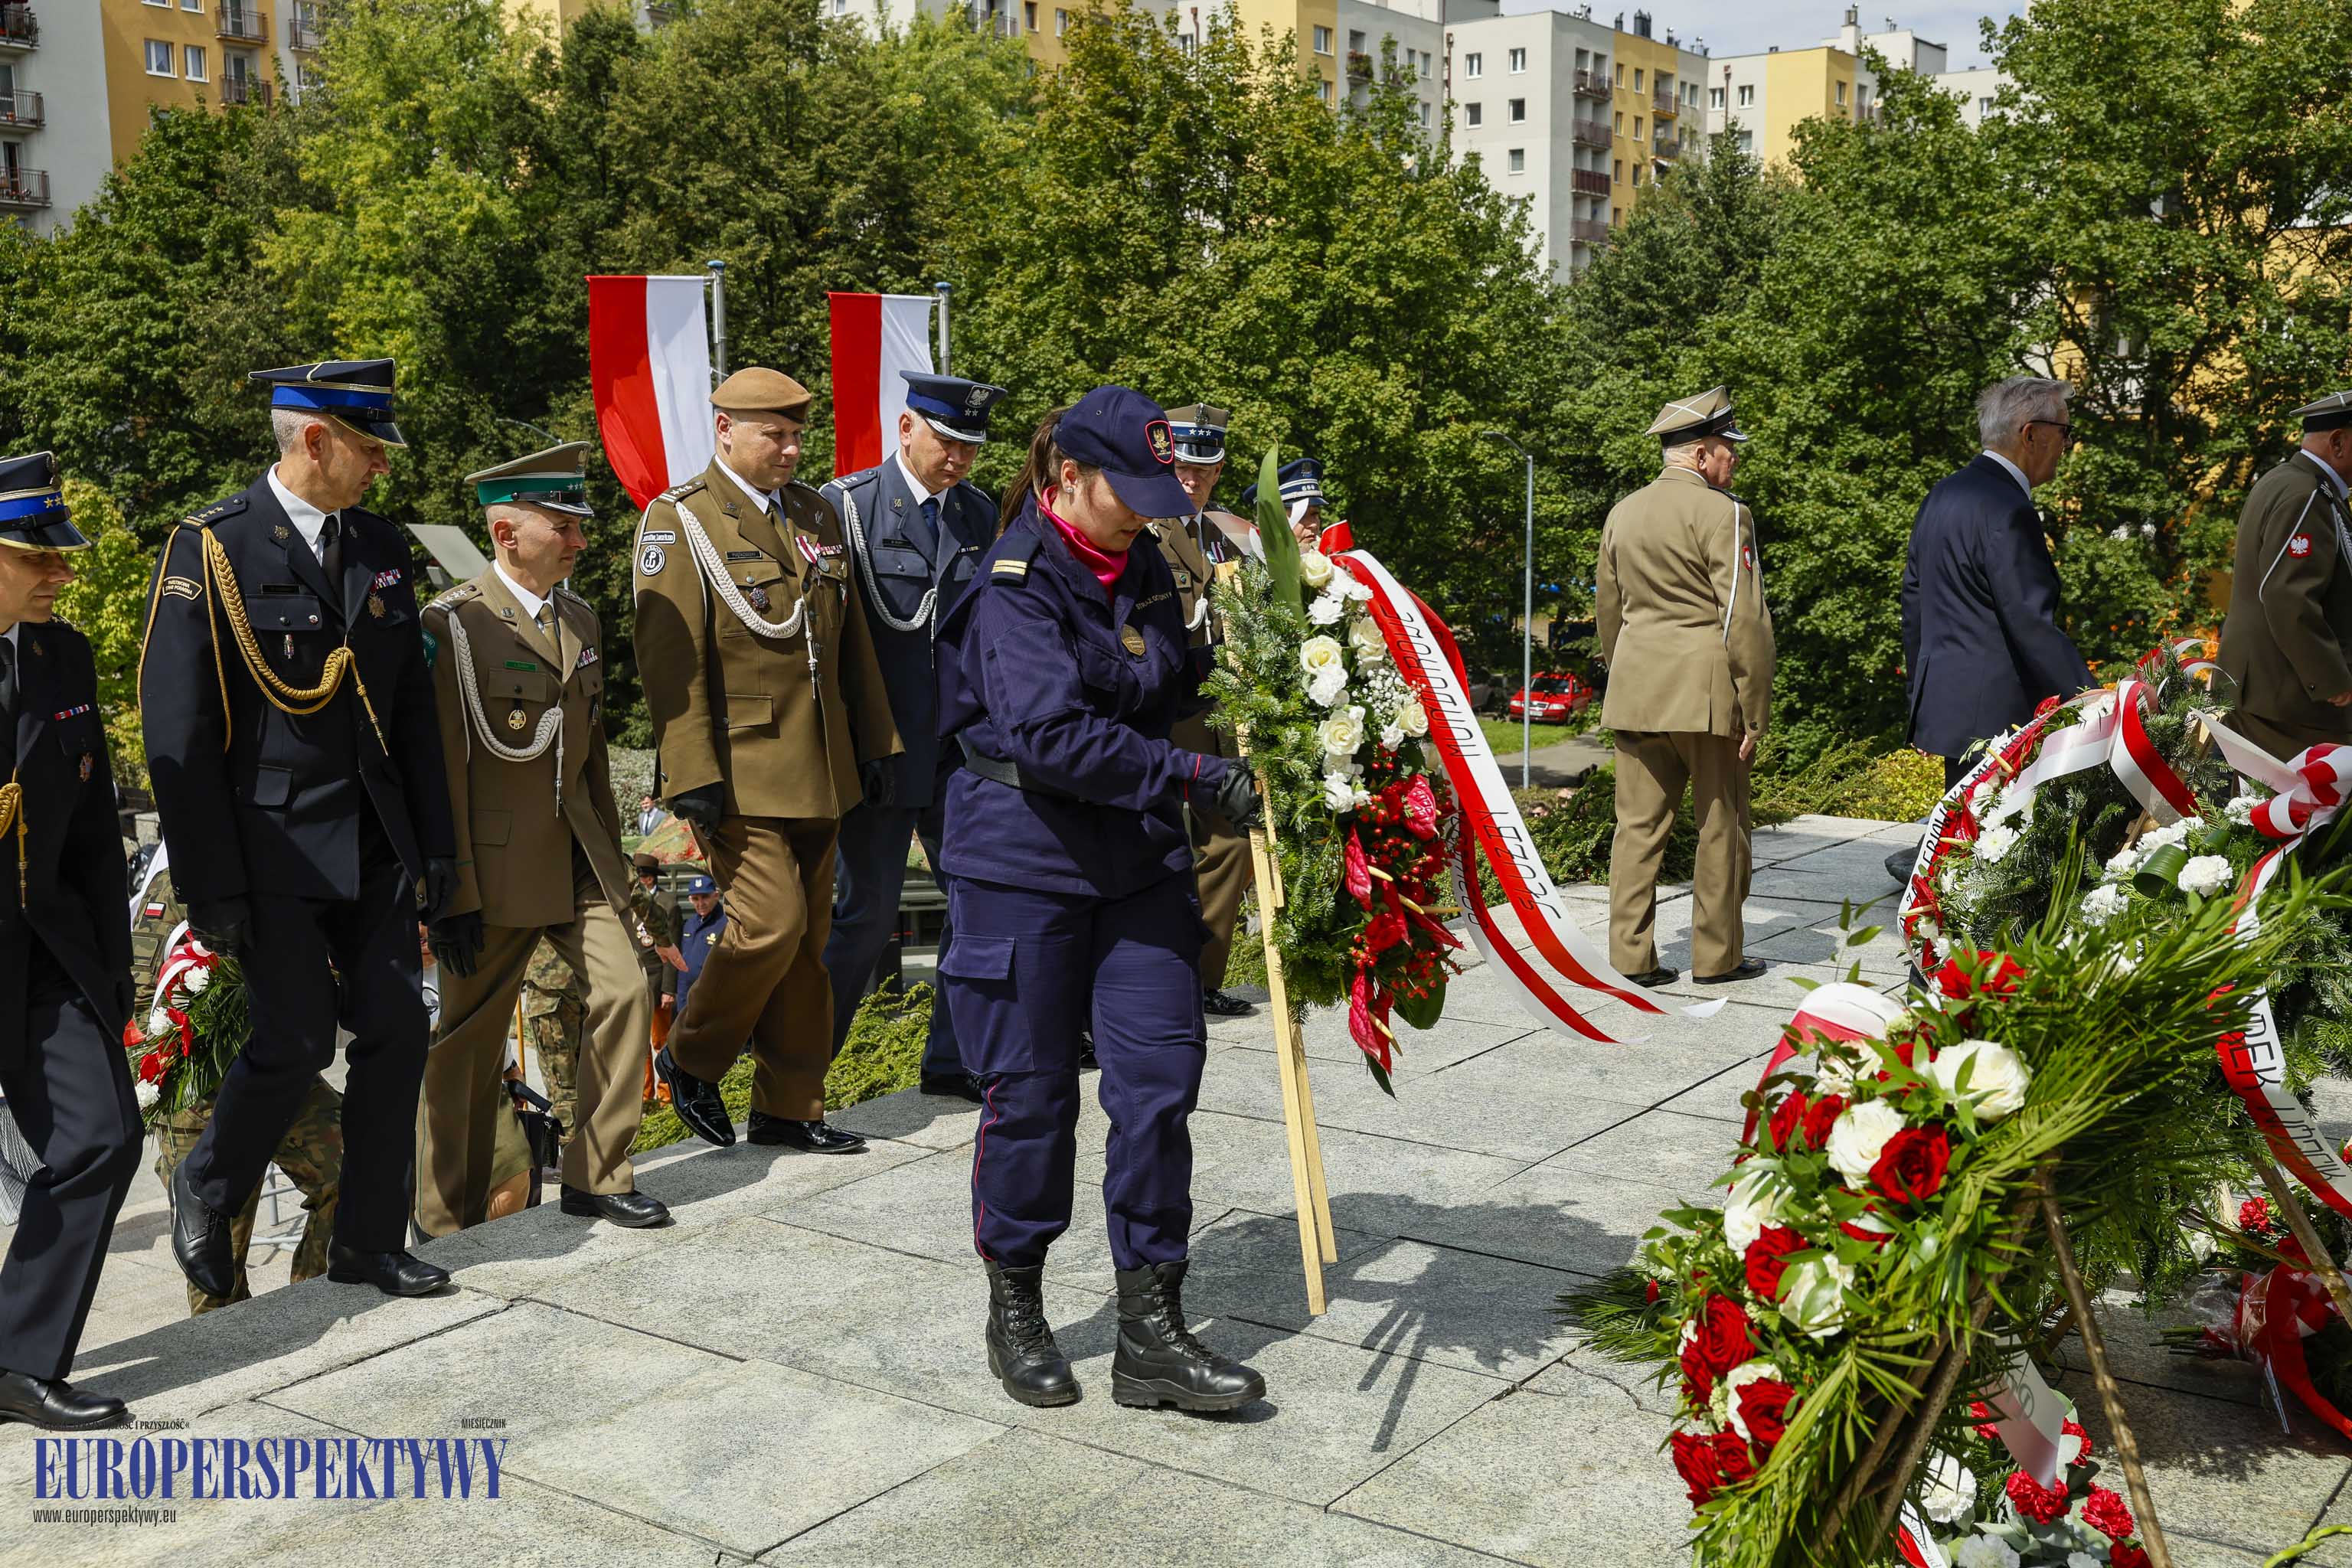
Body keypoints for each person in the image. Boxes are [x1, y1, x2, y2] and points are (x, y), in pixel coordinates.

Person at [936, 387, 1268, 1414]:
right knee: (1030, 1099)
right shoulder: (1013, 583)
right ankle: (1018, 1304)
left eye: (1151, 495)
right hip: (1022, 863)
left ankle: (1152, 1334)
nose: (1141, 511)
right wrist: (1193, 779)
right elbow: (1049, 736)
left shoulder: (1150, 570)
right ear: (1064, 476)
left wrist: (1283, 681)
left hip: (1134, 866)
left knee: (1159, 1088)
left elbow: (1179, 681)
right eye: (1124, 493)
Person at [141, 360, 457, 1302]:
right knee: (295, 1033)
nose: (381, 468)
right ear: (314, 440)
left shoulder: (382, 545)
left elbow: (411, 715)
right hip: (268, 845)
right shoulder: (214, 545)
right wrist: (212, 886)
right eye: (367, 447)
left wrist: (435, 847)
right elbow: (180, 730)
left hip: (371, 841)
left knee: (399, 1027)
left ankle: (366, 1239)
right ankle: (209, 1180)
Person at [635, 367, 901, 1154]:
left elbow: (851, 640)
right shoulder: (679, 520)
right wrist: (691, 771)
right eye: (772, 434)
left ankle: (790, 1106)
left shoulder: (814, 511)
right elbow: (666, 660)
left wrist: (877, 741)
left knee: (806, 945)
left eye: (795, 435)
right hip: (738, 767)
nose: (789, 448)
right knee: (769, 923)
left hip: (821, 765)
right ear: (724, 429)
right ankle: (690, 1055)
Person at [417, 442, 677, 1234]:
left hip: (577, 858)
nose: (578, 539)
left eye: (578, 524)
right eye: (561, 525)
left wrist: (617, 868)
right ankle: (445, 1217)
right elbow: (444, 771)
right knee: (468, 1044)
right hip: (491, 869)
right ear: (505, 532)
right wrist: (448, 888)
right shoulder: (452, 624)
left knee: (626, 991)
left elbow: (589, 759)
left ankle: (597, 1172)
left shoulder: (581, 617)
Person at [0, 452, 142, 1429]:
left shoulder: (65, 657)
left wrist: (113, 969)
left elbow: (94, 833)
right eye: (33, 556)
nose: (61, 573)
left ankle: (19, 1359)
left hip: (41, 948)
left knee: (101, 1137)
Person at [820, 373, 1008, 1104]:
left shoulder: (978, 513)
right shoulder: (848, 507)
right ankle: (800, 1083)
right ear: (906, 429)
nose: (958, 459)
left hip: (956, 749)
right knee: (862, 919)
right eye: (946, 441)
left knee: (979, 902)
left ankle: (952, 1059)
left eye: (970, 446)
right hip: (880, 753)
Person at [1596, 387, 1774, 988]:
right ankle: (1717, 957)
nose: (1735, 461)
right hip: (1704, 693)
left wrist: (1624, 673)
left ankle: (1630, 956)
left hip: (1636, 688)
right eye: (1728, 450)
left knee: (1637, 830)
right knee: (1721, 825)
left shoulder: (1622, 512)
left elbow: (1609, 611)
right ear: (1700, 456)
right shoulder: (1726, 514)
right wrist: (1754, 710)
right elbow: (1742, 618)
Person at [132, 853, 341, 1316]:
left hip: (283, 1077)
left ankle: (315, 1300)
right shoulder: (174, 886)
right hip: (197, 1092)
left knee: (354, 1171)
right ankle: (237, 1358)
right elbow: (142, 996)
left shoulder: (291, 870)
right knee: (214, 1270)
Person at [1900, 377, 2093, 786]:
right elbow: (2030, 621)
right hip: (2000, 722)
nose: (2066, 445)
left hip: (1951, 710)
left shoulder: (1942, 493)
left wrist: (1921, 695)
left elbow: (1915, 602)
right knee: (1993, 844)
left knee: (1963, 839)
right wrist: (2091, 700)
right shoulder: (2009, 508)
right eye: (2064, 432)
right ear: (2031, 435)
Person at [1160, 403, 1255, 1018]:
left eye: (1207, 468)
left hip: (1219, 712)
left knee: (1233, 844)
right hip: (1163, 715)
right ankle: (1157, 986)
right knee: (1162, 852)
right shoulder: (1145, 526)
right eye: (1184, 467)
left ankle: (1198, 979)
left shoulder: (1222, 532)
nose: (1194, 480)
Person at [2217, 389, 2352, 760]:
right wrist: (2331, 680)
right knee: (2313, 811)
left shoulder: (2291, 482)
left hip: (2271, 694)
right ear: (2338, 442)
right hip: (2286, 703)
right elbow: (2287, 596)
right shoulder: (2306, 494)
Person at [520, 936, 586, 1154]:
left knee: (563, 1084)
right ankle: (593, 1156)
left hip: (548, 984)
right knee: (591, 1078)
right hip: (586, 978)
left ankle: (574, 1162)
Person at [1236, 457, 1331, 553]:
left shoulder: (1333, 561)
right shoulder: (1245, 564)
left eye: (1315, 514)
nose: (1314, 524)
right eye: (1301, 515)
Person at [675, 874, 725, 1018]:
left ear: (716, 896)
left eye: (705, 897)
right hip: (687, 998)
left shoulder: (726, 924)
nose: (700, 903)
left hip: (713, 1000)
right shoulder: (690, 925)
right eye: (695, 899)